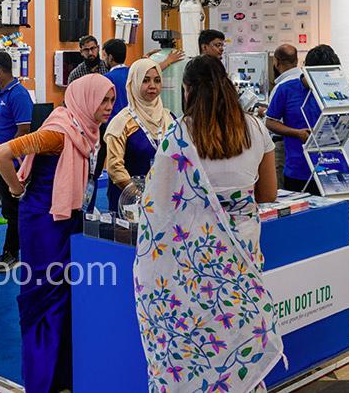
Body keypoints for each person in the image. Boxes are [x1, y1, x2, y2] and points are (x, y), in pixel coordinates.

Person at [134, 56, 283, 391]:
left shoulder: (178, 136)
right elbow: (268, 193)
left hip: (195, 255)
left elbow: (159, 207)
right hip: (243, 247)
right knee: (239, 323)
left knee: (198, 328)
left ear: (187, 91)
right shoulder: (255, 128)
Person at [0, 74, 115, 393]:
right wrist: (16, 189)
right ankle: (42, 380)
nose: (108, 107)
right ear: (86, 99)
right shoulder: (59, 133)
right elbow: (2, 153)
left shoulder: (86, 131)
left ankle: (62, 376)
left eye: (111, 100)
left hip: (68, 219)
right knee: (45, 299)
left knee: (66, 296)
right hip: (44, 224)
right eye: (102, 100)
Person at [0, 50, 33, 272]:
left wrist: (8, 155)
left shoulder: (18, 94)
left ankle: (12, 254)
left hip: (8, 164)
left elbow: (24, 130)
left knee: (11, 212)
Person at [104, 58, 173, 213]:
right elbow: (114, 167)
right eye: (145, 80)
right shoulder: (122, 122)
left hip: (163, 201)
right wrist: (140, 197)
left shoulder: (168, 118)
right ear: (134, 83)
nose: (152, 86)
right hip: (130, 203)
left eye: (157, 80)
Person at [265, 44, 312, 192]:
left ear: (276, 62)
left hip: (289, 154)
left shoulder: (283, 87)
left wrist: (297, 133)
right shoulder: (311, 83)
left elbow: (271, 122)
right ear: (296, 61)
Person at [102, 38, 130, 116]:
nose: (103, 59)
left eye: (104, 55)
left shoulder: (106, 78)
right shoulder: (133, 73)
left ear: (110, 57)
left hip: (113, 120)